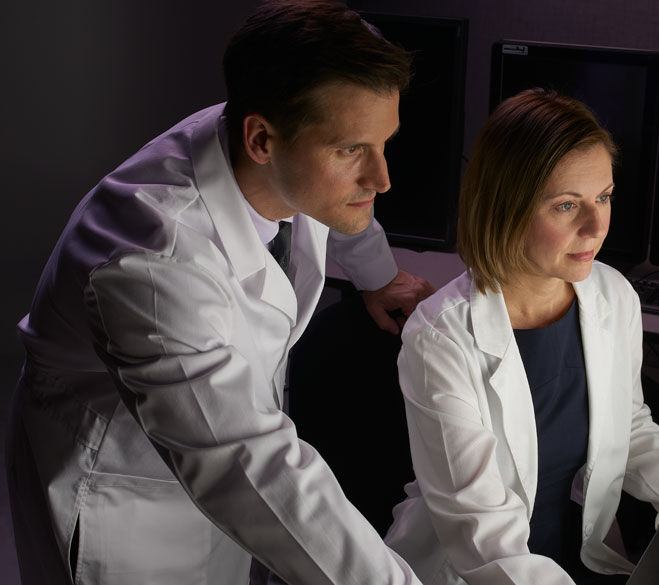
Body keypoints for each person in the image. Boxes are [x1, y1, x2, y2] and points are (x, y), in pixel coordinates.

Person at [5, 1, 434, 583]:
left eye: (384, 144)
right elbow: (249, 465)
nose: (382, 177)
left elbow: (343, 204)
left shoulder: (269, 138)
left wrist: (377, 275)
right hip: (128, 493)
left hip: (214, 442)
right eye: (352, 150)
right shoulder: (153, 267)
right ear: (261, 139)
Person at [383, 89, 659, 585]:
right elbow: (480, 533)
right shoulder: (439, 337)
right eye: (567, 205)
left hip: (575, 556)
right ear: (506, 207)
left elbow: (627, 428)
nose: (596, 226)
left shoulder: (612, 294)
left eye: (604, 197)